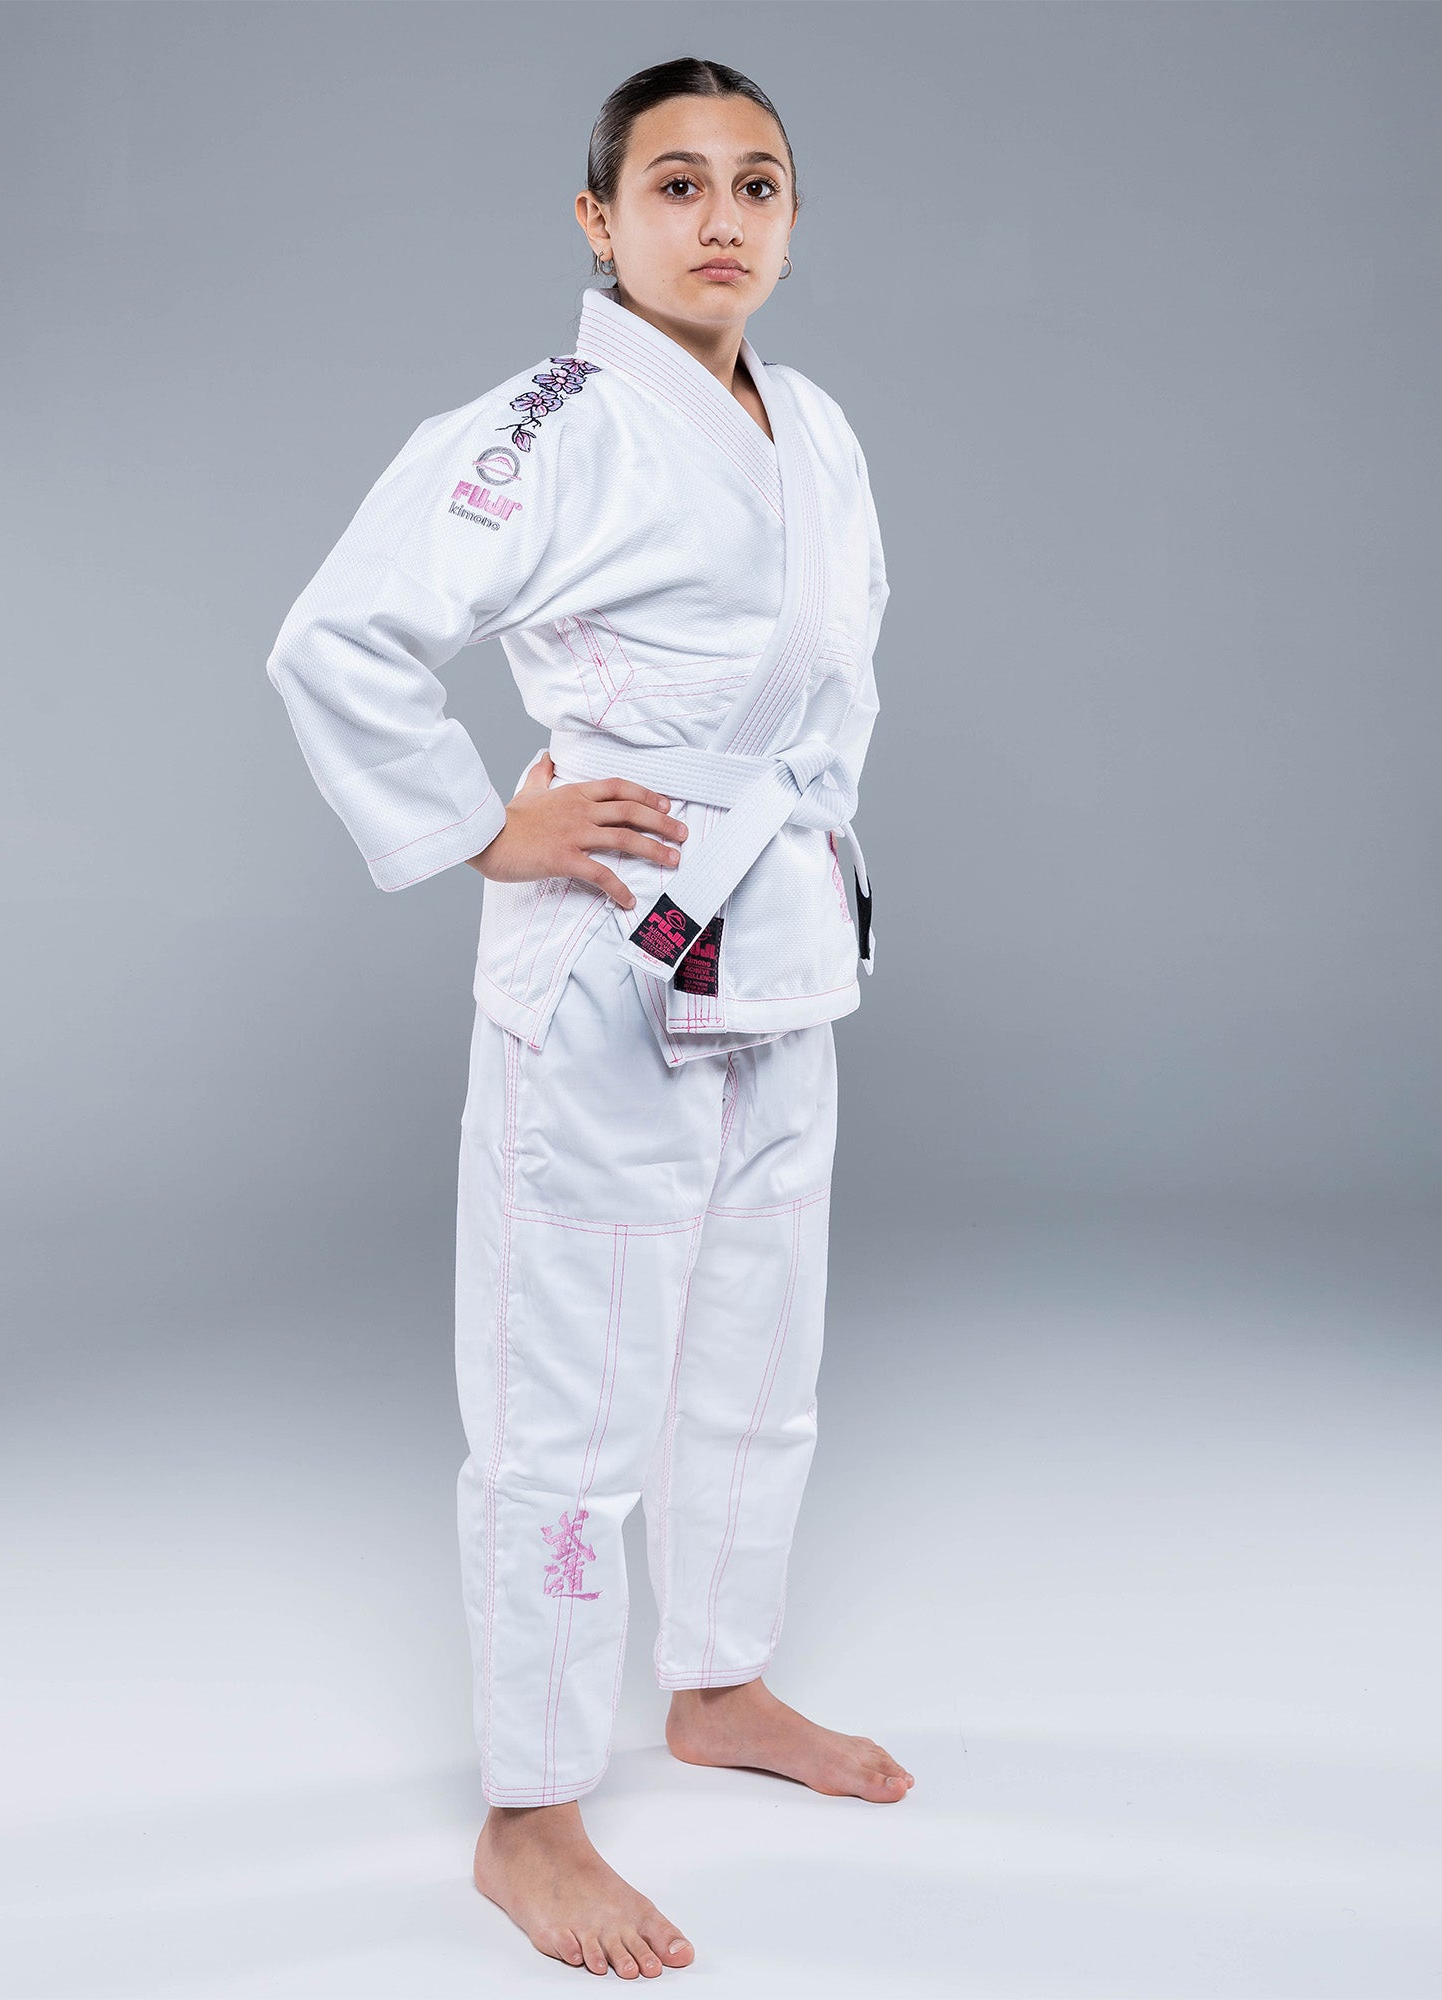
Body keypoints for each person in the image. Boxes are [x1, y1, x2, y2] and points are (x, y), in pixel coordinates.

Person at [264, 54, 911, 1982]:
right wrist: (484, 824)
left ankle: (715, 1684)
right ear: (599, 222)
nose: (724, 218)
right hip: (616, 940)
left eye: (762, 185)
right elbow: (338, 639)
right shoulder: (547, 424)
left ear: (792, 219)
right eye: (680, 184)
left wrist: (803, 851)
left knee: (754, 1345)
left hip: (776, 934)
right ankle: (530, 1806)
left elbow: (835, 693)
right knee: (567, 1384)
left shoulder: (818, 428)